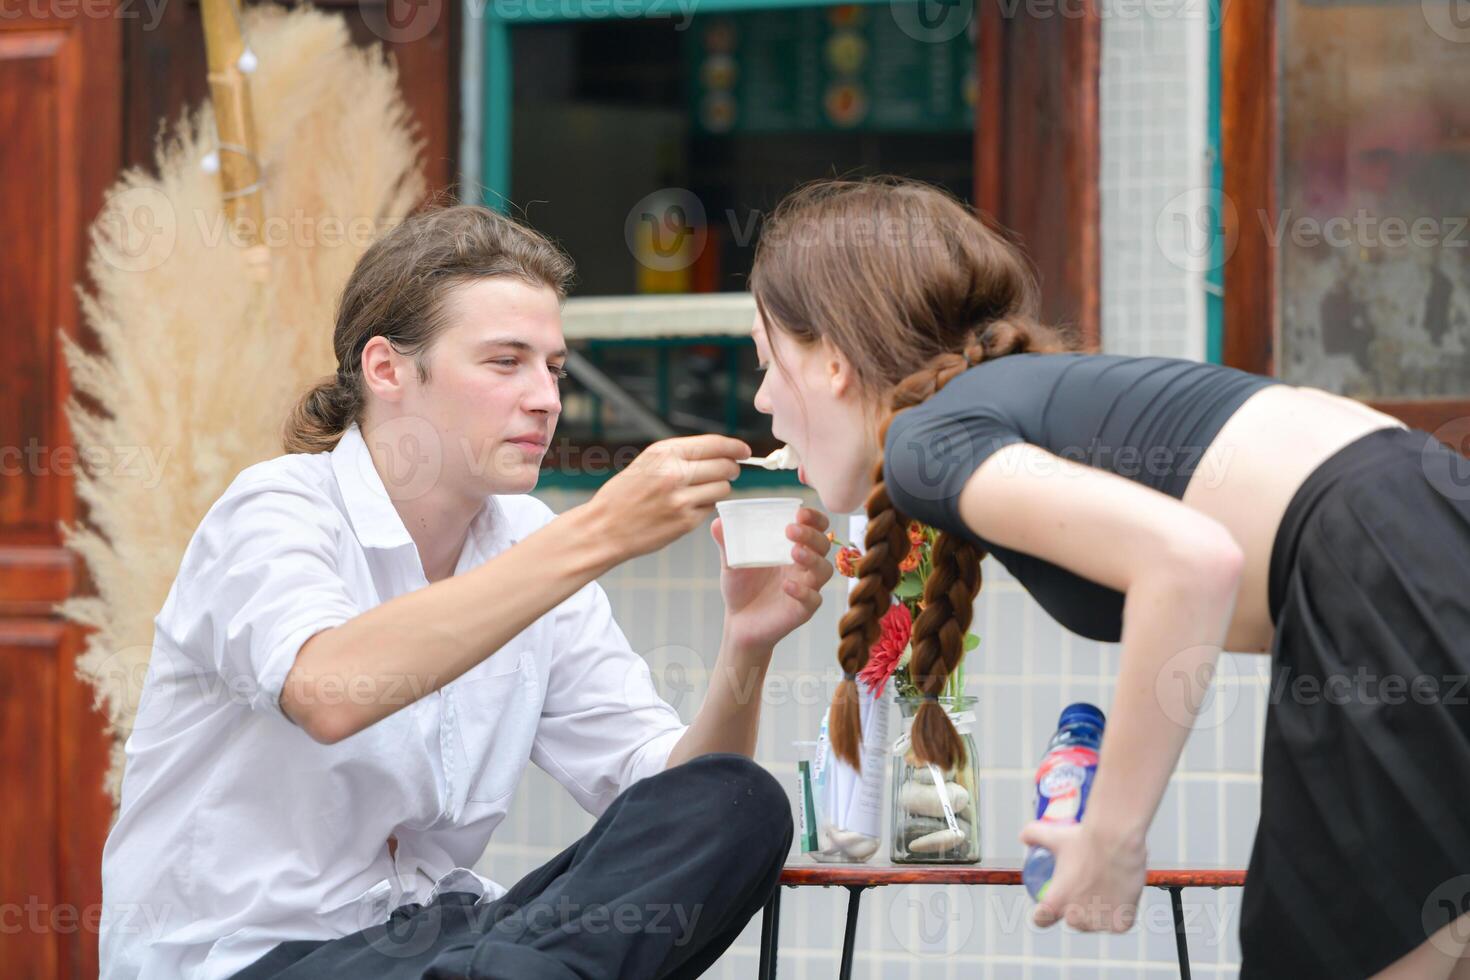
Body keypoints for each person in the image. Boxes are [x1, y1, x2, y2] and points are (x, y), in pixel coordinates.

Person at [744, 175, 1470, 979]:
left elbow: (1192, 561)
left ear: (836, 363)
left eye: (766, 359)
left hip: (1383, 571)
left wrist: (1114, 837)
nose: (763, 399)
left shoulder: (925, 440)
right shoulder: (1000, 404)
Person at [98, 204, 835, 980]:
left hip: (442, 942)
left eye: (552, 367)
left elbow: (665, 792)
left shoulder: (528, 537)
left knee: (735, 802)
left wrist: (746, 645)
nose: (546, 398)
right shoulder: (276, 510)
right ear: (386, 370)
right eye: (504, 362)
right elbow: (326, 691)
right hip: (252, 960)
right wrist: (600, 532)